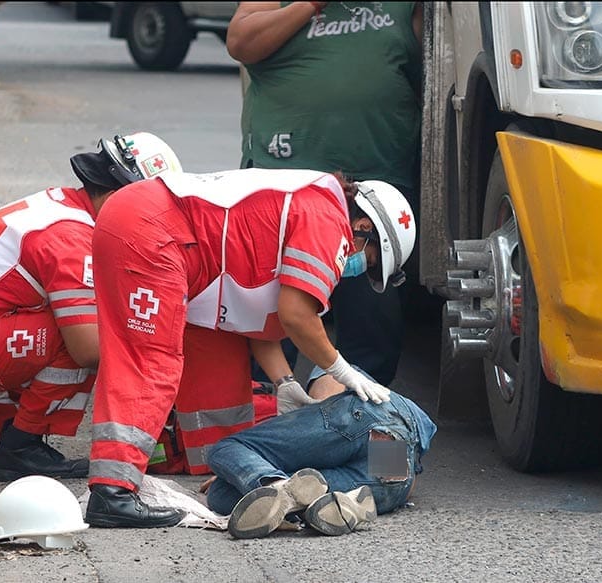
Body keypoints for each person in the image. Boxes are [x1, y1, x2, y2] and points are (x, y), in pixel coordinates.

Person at [85, 167, 417, 528]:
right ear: (364, 228)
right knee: (151, 360)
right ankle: (113, 490)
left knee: (227, 457)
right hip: (401, 437)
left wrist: (286, 382)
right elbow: (296, 315)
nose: (355, 269)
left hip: (378, 427)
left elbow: (259, 320)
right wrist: (341, 369)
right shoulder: (327, 216)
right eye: (367, 261)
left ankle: (270, 486)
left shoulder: (309, 204)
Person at [0, 131, 182, 482]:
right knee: (89, 334)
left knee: (57, 320)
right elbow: (88, 349)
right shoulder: (74, 239)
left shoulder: (61, 205)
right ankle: (23, 447)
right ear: (120, 195)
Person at [227, 1, 424, 386]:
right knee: (269, 317)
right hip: (284, 184)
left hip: (373, 188)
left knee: (372, 324)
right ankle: (264, 412)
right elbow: (241, 41)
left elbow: (429, 74)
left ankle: (352, 422)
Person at [205, 365, 437, 539]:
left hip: (367, 417)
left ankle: (275, 484)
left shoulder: (338, 373)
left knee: (227, 448)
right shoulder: (403, 413)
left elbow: (327, 428)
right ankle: (342, 503)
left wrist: (244, 466)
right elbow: (406, 484)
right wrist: (242, 471)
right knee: (220, 494)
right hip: (395, 480)